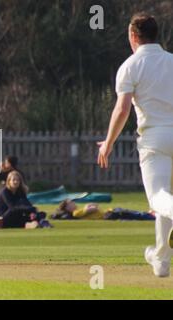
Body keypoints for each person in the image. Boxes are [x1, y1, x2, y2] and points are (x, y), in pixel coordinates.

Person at [97, 13, 173, 277]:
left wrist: (107, 143)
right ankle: (161, 260)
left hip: (154, 140)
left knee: (158, 198)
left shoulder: (130, 66)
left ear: (133, 36)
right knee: (166, 198)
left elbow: (122, 109)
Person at [51, 199, 155, 220]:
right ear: (67, 208)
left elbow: (93, 206)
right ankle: (150, 216)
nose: (74, 203)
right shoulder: (75, 213)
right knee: (128, 213)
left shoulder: (78, 211)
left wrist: (90, 205)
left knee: (129, 213)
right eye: (71, 203)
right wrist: (89, 206)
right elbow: (90, 209)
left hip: (108, 213)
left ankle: (148, 214)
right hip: (107, 215)